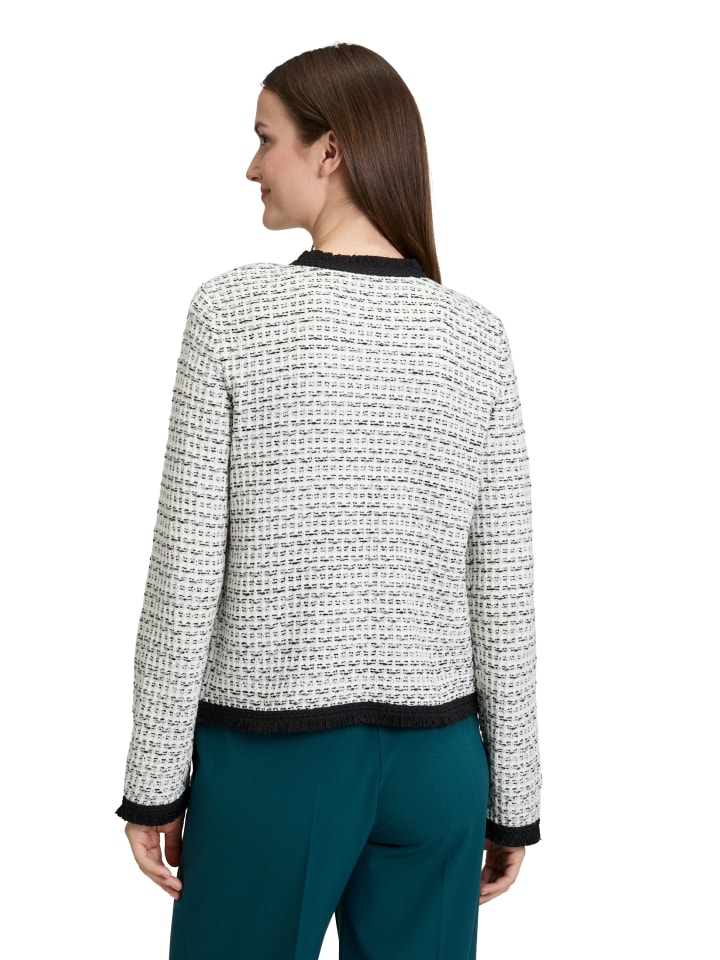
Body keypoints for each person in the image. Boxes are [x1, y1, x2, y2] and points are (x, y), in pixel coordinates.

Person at [117, 42, 541, 960]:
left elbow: (186, 570)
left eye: (266, 138)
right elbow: (502, 589)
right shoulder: (477, 337)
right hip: (439, 767)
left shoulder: (231, 314)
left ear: (330, 151)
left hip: (275, 759)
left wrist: (153, 782)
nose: (252, 165)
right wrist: (515, 796)